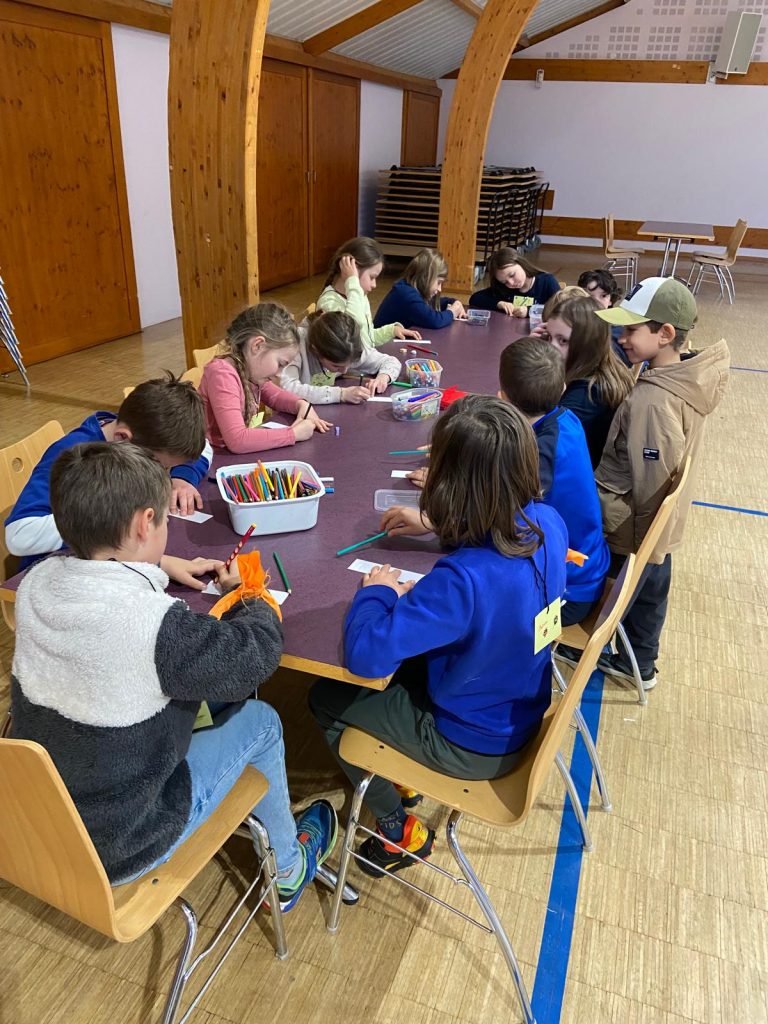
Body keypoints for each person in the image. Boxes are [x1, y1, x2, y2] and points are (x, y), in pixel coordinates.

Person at [9, 441, 337, 908]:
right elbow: (256, 657)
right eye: (164, 519)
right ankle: (287, 869)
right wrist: (249, 596)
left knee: (202, 696)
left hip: (37, 819)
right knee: (263, 720)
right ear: (146, 523)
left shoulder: (35, 582)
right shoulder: (153, 625)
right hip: (122, 842)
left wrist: (155, 566)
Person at [308, 396, 567, 877]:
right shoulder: (549, 522)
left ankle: (396, 828)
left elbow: (366, 654)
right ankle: (400, 773)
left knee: (326, 697)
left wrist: (378, 593)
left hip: (469, 742)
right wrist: (441, 528)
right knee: (407, 666)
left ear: (448, 482)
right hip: (515, 706)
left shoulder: (463, 580)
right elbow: (492, 572)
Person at [586, 278, 730, 689]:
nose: (621, 338)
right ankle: (641, 662)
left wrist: (642, 553)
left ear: (665, 334)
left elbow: (651, 483)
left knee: (640, 584)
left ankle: (607, 653)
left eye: (631, 330)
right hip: (657, 528)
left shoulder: (653, 401)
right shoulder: (683, 376)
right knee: (654, 586)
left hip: (633, 529)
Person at [4, 373, 217, 589]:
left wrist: (182, 477)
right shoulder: (72, 455)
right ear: (122, 438)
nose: (160, 473)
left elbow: (204, 447)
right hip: (56, 578)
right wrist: (117, 521)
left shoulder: (143, 432)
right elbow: (19, 535)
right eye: (160, 465)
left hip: (115, 562)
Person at [498, 337, 610, 625]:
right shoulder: (565, 417)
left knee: (476, 607)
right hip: (587, 566)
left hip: (564, 592)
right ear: (562, 389)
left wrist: (433, 521)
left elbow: (507, 521)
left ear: (503, 398)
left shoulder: (539, 454)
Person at [199, 302, 332, 454]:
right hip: (210, 458)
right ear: (258, 346)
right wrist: (293, 434)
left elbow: (275, 396)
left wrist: (301, 404)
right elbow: (237, 440)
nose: (280, 374)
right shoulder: (222, 374)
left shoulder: (251, 372)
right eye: (280, 364)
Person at [534, 295, 633, 468]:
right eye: (549, 337)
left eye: (563, 340)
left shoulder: (586, 395)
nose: (550, 348)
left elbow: (535, 446)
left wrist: (530, 364)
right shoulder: (604, 366)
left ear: (587, 345)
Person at [316, 236, 421, 350]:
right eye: (372, 277)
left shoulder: (359, 296)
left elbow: (367, 338)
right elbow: (353, 333)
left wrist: (391, 330)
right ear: (352, 270)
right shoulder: (329, 303)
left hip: (365, 358)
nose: (374, 284)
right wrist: (352, 281)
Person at [279, 310, 401, 405]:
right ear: (315, 350)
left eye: (349, 364)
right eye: (336, 366)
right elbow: (286, 388)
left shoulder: (348, 344)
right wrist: (341, 394)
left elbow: (390, 361)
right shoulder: (294, 347)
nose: (344, 370)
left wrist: (383, 377)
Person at [373, 248, 466, 330]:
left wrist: (454, 302)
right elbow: (434, 320)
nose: (439, 289)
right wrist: (452, 312)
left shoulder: (410, 289)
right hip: (383, 343)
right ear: (426, 277)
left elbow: (431, 304)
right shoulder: (406, 294)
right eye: (438, 282)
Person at [469, 247, 559, 317]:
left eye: (512, 275)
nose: (511, 283)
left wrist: (529, 311)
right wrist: (498, 304)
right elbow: (475, 298)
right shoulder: (503, 288)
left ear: (520, 263)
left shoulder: (547, 281)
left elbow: (560, 308)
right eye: (505, 282)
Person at [577, 268, 630, 366]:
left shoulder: (617, 334)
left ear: (611, 300)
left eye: (603, 296)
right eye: (590, 297)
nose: (597, 302)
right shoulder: (574, 326)